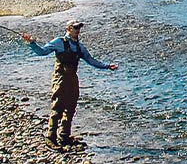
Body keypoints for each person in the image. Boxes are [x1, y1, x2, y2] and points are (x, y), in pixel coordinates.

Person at [21, 20, 118, 148]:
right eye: (75, 27)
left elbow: (91, 60)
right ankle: (51, 137)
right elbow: (42, 52)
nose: (78, 30)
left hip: (73, 79)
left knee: (71, 108)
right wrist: (31, 43)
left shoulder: (79, 47)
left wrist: (107, 66)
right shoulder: (59, 42)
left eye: (79, 28)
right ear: (68, 28)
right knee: (58, 106)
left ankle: (64, 136)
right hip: (60, 78)